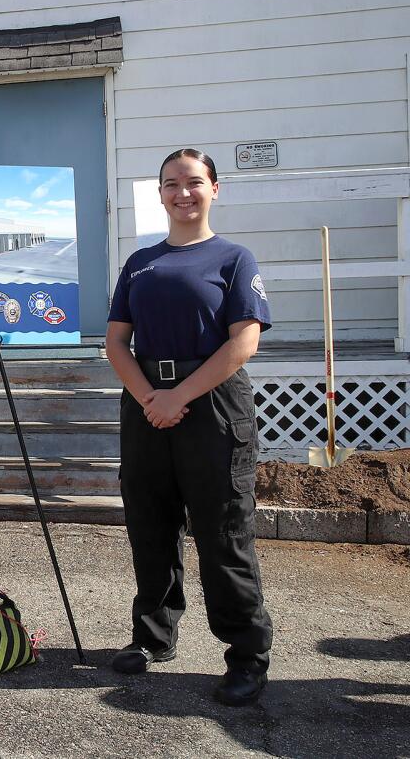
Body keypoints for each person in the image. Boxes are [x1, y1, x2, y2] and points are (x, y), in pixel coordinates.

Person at [104, 148, 274, 707]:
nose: (183, 192)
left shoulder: (234, 259)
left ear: (215, 189)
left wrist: (179, 396)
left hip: (213, 406)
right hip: (147, 402)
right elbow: (116, 342)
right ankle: (152, 637)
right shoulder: (140, 263)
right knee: (150, 525)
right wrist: (151, 397)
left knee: (223, 531)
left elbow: (243, 341)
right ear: (159, 194)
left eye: (194, 182)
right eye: (172, 184)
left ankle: (246, 655)